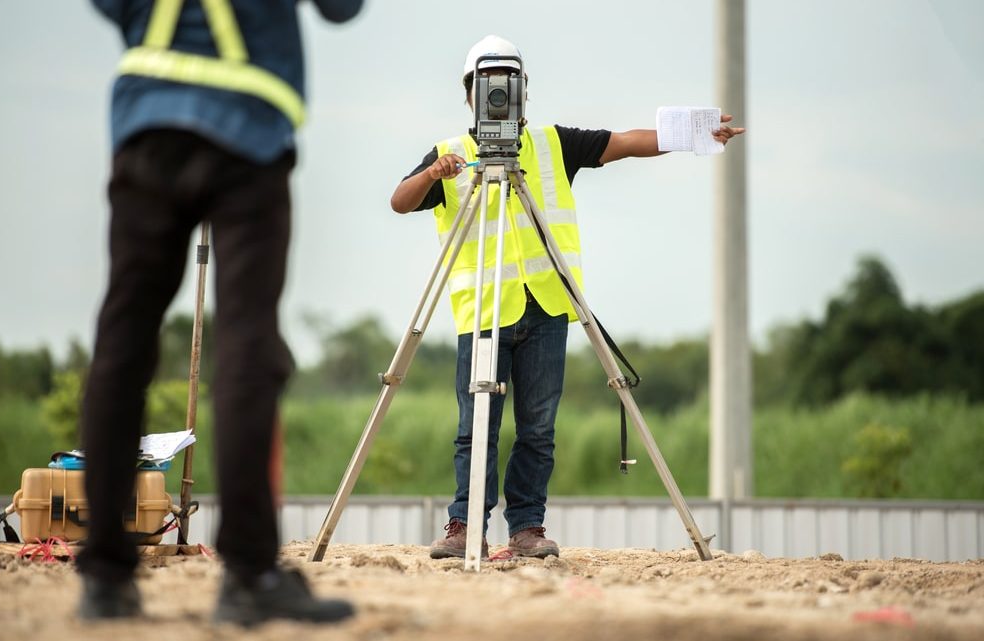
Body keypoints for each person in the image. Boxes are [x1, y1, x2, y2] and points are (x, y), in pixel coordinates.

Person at [390, 35, 744, 560]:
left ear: (523, 91)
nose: (498, 97)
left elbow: (624, 142)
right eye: (487, 87)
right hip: (484, 313)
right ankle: (464, 526)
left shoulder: (554, 145)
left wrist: (695, 134)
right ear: (469, 94)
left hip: (549, 308)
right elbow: (400, 201)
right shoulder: (451, 157)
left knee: (538, 427)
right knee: (476, 428)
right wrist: (432, 175)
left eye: (507, 87)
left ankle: (526, 529)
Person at [77, 0, 363, 625]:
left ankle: (103, 577)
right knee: (246, 346)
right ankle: (249, 574)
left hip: (145, 119)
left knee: (123, 343)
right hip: (249, 133)